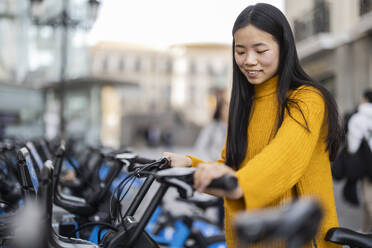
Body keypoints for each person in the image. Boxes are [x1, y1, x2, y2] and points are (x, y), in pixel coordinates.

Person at [163, 3, 341, 248]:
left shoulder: (307, 99)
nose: (249, 60)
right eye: (240, 51)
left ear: (284, 47)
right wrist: (191, 165)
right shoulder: (244, 104)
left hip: (300, 239)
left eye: (260, 50)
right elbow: (232, 170)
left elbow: (282, 160)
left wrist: (238, 183)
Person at [347, 90, 372, 232]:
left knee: (368, 199)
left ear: (364, 100)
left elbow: (352, 146)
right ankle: (366, 231)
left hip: (367, 165)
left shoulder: (358, 118)